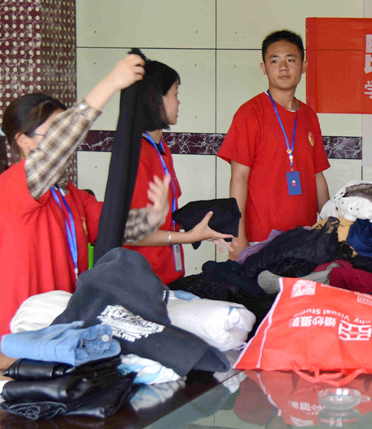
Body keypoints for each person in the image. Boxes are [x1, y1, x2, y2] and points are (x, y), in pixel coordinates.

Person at [0, 54, 170, 343]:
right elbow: (59, 146)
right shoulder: (10, 186)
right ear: (23, 140)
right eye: (54, 131)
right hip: (20, 332)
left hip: (61, 325)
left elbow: (113, 227)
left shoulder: (68, 193)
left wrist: (152, 216)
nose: (65, 140)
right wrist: (110, 84)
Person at [218, 30, 331, 259]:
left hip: (305, 237)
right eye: (275, 61)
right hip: (261, 239)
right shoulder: (250, 113)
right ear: (264, 68)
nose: (283, 68)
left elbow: (317, 174)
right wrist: (237, 237)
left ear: (303, 66)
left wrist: (332, 223)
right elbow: (239, 177)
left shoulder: (309, 116)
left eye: (291, 60)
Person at [124, 58, 233, 286]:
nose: (179, 102)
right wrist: (189, 237)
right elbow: (131, 232)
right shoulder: (136, 154)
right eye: (175, 94)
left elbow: (164, 216)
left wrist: (201, 224)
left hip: (167, 275)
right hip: (142, 280)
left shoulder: (160, 148)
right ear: (156, 100)